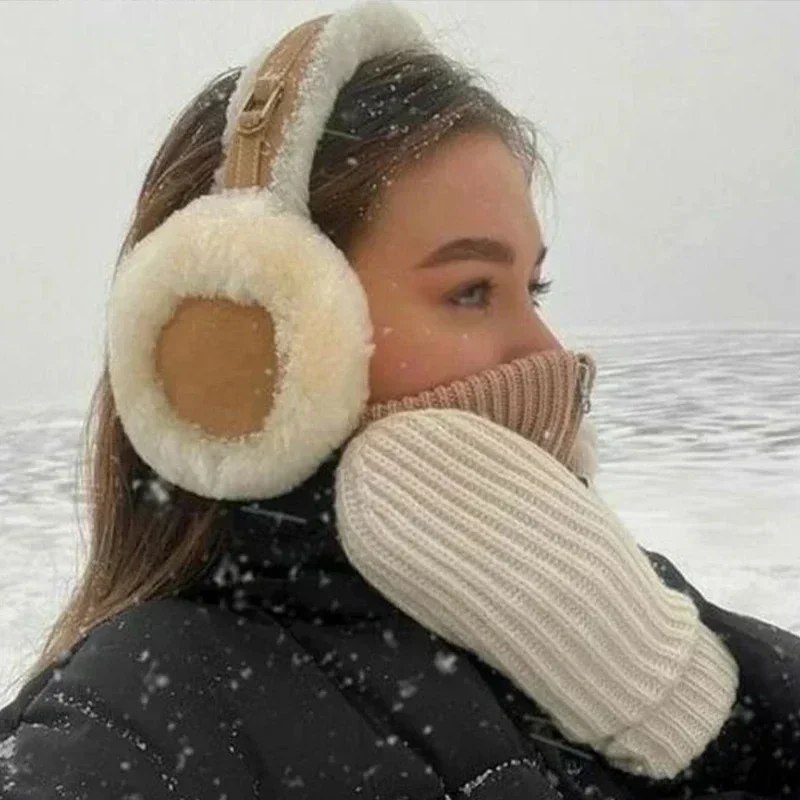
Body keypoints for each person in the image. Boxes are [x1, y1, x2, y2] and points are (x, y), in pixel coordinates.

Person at [1, 3, 797, 798]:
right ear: (258, 342)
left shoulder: (603, 598)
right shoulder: (155, 716)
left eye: (535, 286)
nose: (549, 352)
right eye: (472, 290)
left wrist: (702, 694)